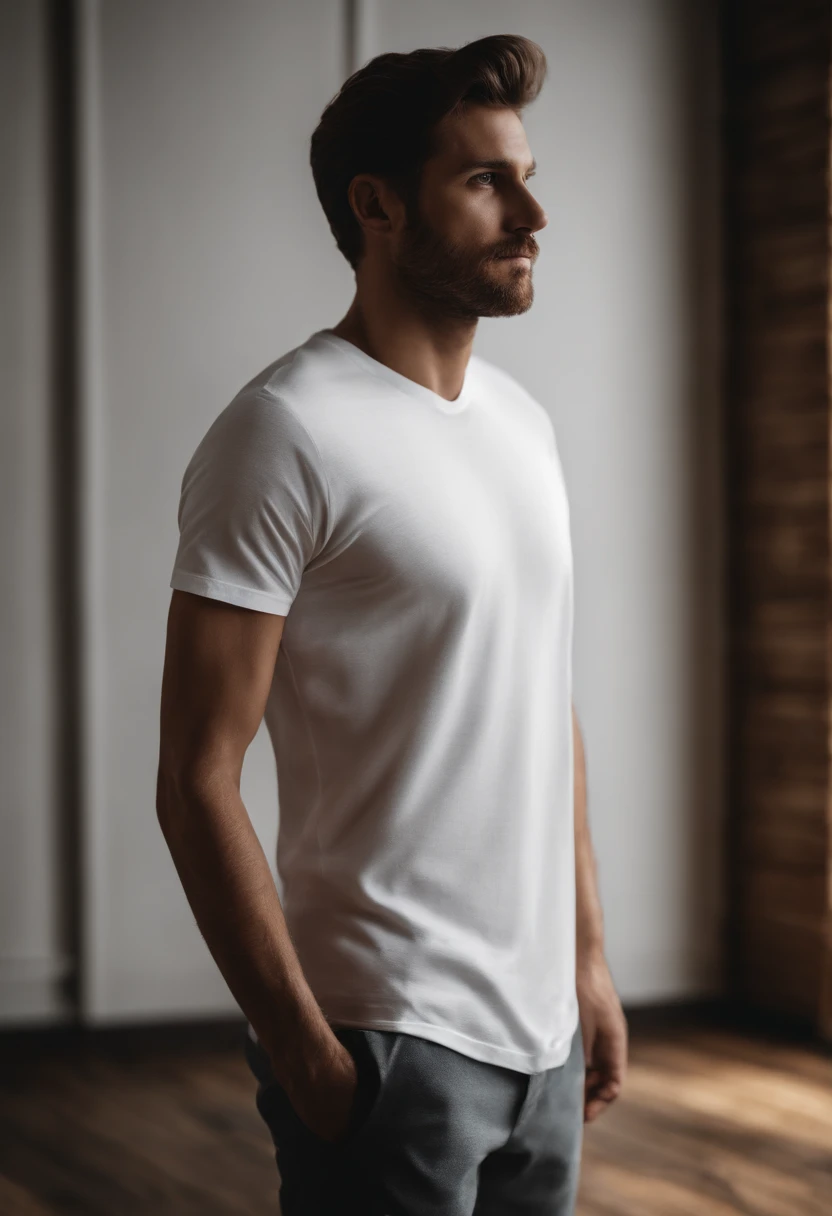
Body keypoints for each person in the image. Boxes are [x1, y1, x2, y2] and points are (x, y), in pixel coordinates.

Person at [157, 32, 627, 1216]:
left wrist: (584, 961)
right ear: (378, 206)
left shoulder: (522, 425)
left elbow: (539, 703)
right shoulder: (284, 431)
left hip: (543, 1040)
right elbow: (197, 773)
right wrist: (310, 1060)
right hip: (386, 1039)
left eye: (525, 172)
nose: (532, 211)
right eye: (483, 181)